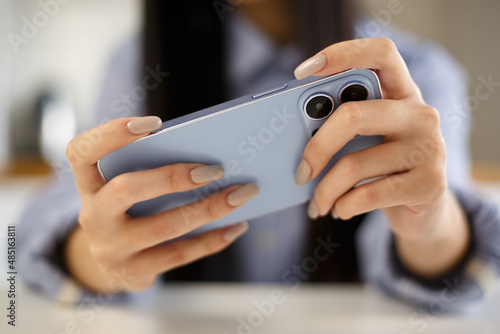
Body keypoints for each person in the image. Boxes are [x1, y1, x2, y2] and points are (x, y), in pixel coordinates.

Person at [18, 0, 500, 308]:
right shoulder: (137, 65)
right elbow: (37, 230)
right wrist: (96, 255)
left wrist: (431, 222)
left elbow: (447, 237)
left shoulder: (416, 74)